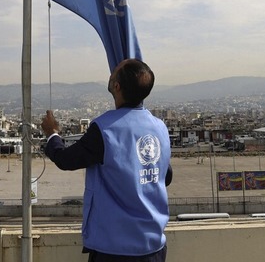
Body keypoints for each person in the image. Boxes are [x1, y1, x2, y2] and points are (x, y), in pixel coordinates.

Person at [41, 58, 172, 261]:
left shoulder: (105, 129)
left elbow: (65, 159)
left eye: (115, 71)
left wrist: (52, 133)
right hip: (154, 248)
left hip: (115, 250)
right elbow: (166, 175)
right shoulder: (159, 127)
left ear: (116, 86)